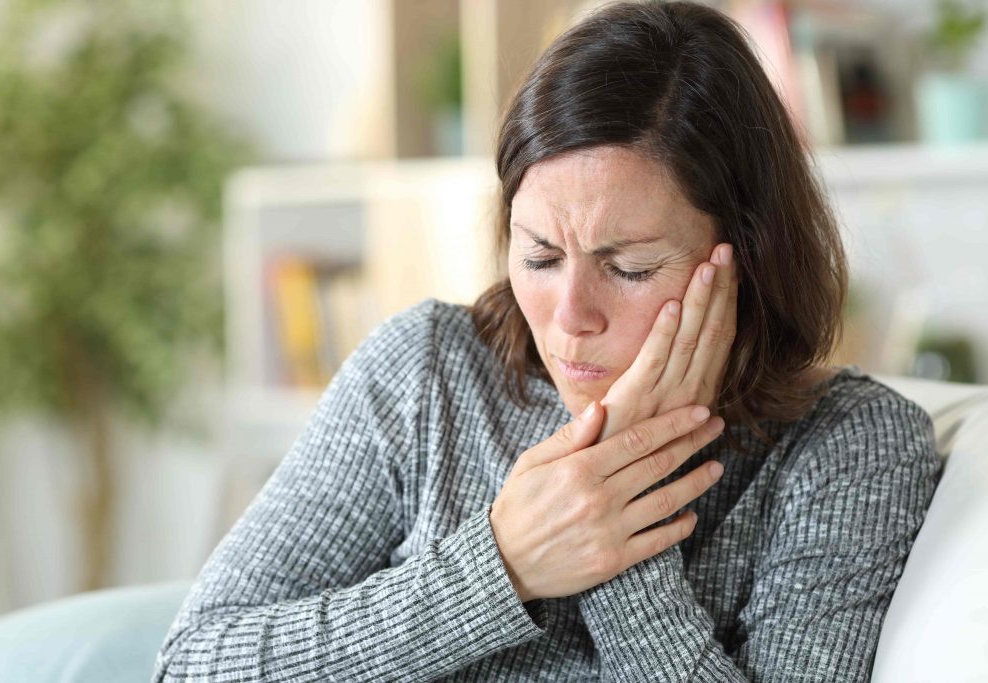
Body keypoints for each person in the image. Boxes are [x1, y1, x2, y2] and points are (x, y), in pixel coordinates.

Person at [154, 1, 940, 680]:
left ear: (746, 257)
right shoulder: (426, 372)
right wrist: (500, 566)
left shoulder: (846, 449)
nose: (568, 314)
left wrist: (615, 531)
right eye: (538, 255)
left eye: (626, 267)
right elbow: (190, 663)